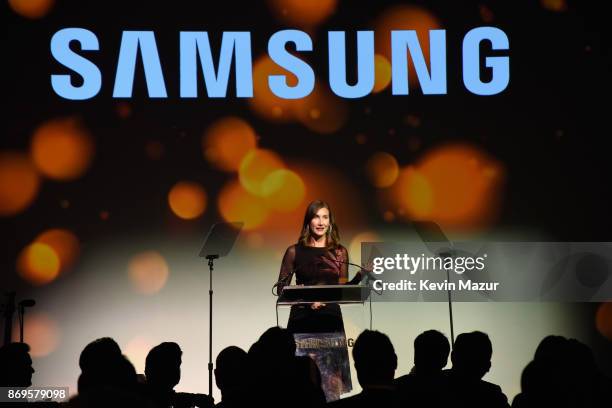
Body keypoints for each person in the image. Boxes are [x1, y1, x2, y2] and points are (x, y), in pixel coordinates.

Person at [276, 200, 362, 401]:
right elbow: (281, 287)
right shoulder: (294, 251)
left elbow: (341, 289)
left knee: (331, 388)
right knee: (299, 386)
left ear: (330, 222)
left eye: (325, 217)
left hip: (329, 322)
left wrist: (359, 278)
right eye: (316, 217)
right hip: (302, 323)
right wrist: (306, 299)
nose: (321, 222)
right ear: (308, 221)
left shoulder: (340, 252)